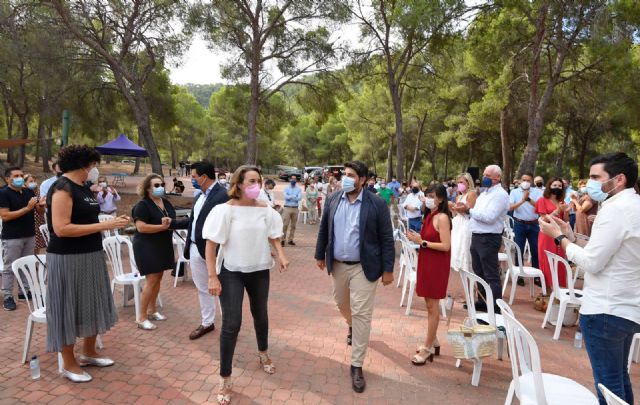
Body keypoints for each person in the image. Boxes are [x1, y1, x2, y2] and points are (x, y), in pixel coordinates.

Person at [538, 152, 640, 405]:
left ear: (618, 180)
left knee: (608, 386)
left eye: (596, 177)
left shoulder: (616, 210)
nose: (589, 184)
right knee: (619, 381)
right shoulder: (633, 205)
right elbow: (605, 250)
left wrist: (559, 239)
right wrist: (570, 235)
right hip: (624, 307)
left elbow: (592, 262)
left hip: (605, 309)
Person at [203, 165, 288, 405]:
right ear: (238, 184)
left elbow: (273, 234)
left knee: (260, 313)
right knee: (232, 323)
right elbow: (211, 244)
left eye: (258, 181)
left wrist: (280, 254)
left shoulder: (265, 209)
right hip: (231, 272)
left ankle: (263, 353)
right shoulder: (224, 211)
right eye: (251, 181)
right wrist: (212, 276)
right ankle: (225, 377)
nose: (256, 185)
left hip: (260, 269)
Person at [45, 145, 129, 382]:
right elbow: (62, 229)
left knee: (91, 302)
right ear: (84, 165)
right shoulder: (62, 188)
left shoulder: (83, 187)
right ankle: (69, 364)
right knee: (68, 307)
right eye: (93, 165)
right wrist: (105, 225)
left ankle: (88, 353)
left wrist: (110, 222)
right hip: (68, 258)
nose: (94, 169)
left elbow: (87, 218)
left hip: (91, 254)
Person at [314, 160, 395, 393]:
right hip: (338, 264)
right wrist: (320, 254)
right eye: (344, 175)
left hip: (364, 266)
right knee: (341, 303)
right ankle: (351, 325)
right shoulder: (333, 199)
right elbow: (324, 229)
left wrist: (388, 269)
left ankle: (357, 365)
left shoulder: (377, 203)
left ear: (362, 180)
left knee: (361, 312)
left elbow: (387, 238)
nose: (345, 179)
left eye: (350, 175)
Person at [171, 161, 229, 340]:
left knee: (224, 288)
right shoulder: (199, 196)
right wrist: (171, 223)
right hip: (195, 249)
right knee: (203, 288)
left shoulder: (224, 196)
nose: (191, 179)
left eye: (194, 177)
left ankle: (229, 324)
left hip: (217, 252)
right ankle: (207, 322)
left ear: (204, 177)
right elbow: (193, 221)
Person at [406, 184, 451, 365]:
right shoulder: (429, 215)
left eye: (432, 195)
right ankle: (433, 340)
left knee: (433, 307)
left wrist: (422, 242)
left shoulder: (442, 218)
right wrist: (418, 238)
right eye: (427, 195)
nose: (428, 198)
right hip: (426, 262)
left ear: (440, 199)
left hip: (437, 265)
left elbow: (446, 246)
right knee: (428, 305)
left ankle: (427, 347)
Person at [457, 165, 509, 313]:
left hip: (489, 237)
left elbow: (489, 217)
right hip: (477, 236)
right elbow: (476, 213)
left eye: (488, 175)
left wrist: (468, 210)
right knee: (478, 271)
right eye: (484, 174)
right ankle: (483, 300)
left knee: (491, 274)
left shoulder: (500, 195)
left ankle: (495, 307)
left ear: (497, 177)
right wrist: (466, 211)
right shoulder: (485, 193)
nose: (484, 177)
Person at [131, 174, 175, 330]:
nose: (160, 187)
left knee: (158, 277)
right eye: (156, 185)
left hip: (163, 244)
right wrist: (161, 227)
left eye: (161, 184)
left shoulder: (166, 203)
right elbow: (141, 227)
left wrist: (170, 224)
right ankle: (141, 318)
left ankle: (152, 310)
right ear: (148, 188)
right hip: (146, 245)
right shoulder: (142, 205)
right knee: (151, 279)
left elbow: (172, 220)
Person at [0, 167, 45, 310]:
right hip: (12, 237)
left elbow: (39, 211)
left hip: (29, 234)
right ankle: (7, 296)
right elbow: (5, 216)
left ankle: (24, 291)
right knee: (9, 267)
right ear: (8, 179)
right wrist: (27, 208)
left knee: (26, 264)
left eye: (21, 175)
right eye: (16, 176)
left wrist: (41, 205)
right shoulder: (3, 193)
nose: (19, 178)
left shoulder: (28, 191)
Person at [535, 177, 570, 289]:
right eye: (554, 185)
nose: (557, 188)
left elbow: (564, 220)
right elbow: (543, 220)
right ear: (549, 186)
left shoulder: (562, 202)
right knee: (547, 261)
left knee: (560, 260)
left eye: (560, 186)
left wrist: (565, 211)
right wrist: (558, 210)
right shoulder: (542, 200)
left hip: (559, 234)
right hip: (546, 234)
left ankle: (560, 290)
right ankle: (548, 290)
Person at [508, 173, 543, 271]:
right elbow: (510, 207)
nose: (525, 182)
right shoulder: (514, 192)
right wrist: (522, 201)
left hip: (534, 224)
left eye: (528, 180)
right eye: (524, 180)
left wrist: (528, 199)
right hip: (519, 224)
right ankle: (519, 275)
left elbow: (540, 207)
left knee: (535, 250)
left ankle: (536, 274)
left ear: (532, 181)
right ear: (519, 181)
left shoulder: (537, 192)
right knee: (519, 249)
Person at [449, 173, 476, 272]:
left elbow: (471, 211)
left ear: (468, 183)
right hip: (458, 224)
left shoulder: (471, 193)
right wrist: (453, 208)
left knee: (466, 250)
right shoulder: (459, 196)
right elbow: (455, 213)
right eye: (458, 182)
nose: (459, 184)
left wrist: (462, 209)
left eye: (461, 182)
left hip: (466, 223)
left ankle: (473, 282)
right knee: (458, 249)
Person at [24, 174, 47, 253]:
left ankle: (35, 262)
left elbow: (42, 210)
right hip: (29, 221)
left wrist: (42, 205)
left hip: (38, 220)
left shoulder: (38, 192)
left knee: (38, 245)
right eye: (30, 181)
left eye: (34, 181)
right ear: (25, 183)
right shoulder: (22, 193)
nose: (33, 183)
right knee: (29, 246)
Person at [281, 174, 301, 246]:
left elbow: (299, 198)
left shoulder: (299, 189)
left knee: (293, 226)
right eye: (292, 179)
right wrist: (294, 196)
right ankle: (282, 240)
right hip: (287, 208)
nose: (293, 180)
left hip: (295, 208)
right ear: (290, 179)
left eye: (294, 179)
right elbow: (285, 197)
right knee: (285, 225)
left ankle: (290, 239)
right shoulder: (286, 188)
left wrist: (290, 196)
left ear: (296, 180)